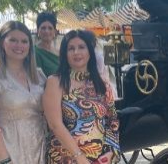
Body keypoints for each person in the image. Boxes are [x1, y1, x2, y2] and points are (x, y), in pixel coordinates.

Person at [0, 21, 47, 163]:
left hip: (39, 146)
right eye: (13, 40)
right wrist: (5, 159)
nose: (19, 46)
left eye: (24, 41)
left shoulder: (39, 76)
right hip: (9, 147)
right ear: (2, 43)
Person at [43, 30, 120, 164]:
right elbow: (55, 125)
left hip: (100, 158)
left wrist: (112, 151)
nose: (76, 52)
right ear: (64, 54)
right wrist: (79, 157)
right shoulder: (55, 82)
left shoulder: (102, 84)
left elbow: (112, 120)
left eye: (81, 47)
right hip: (66, 157)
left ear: (90, 51)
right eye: (71, 48)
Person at [35, 12, 59, 76]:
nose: (46, 31)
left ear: (55, 31)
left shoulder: (59, 52)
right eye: (43, 28)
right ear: (37, 30)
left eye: (50, 28)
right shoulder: (34, 52)